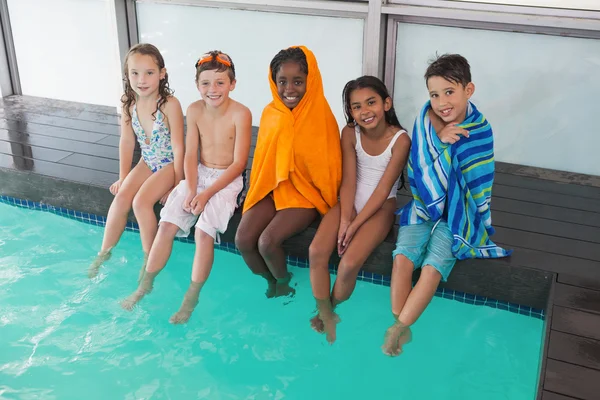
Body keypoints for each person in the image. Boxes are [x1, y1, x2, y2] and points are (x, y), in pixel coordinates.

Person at [382, 54, 511, 356]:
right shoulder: (425, 123)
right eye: (434, 94)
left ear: (469, 89)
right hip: (424, 207)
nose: (442, 102)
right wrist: (440, 141)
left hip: (460, 215)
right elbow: (417, 167)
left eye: (449, 92)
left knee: (431, 269)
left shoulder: (479, 128)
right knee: (402, 259)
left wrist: (450, 146)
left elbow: (478, 178)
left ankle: (397, 329)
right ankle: (401, 323)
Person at [121, 51, 251, 324]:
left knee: (204, 232)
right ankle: (145, 285)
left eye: (219, 83)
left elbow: (239, 164)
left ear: (232, 84)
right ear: (197, 85)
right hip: (199, 174)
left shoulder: (241, 113)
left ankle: (190, 299)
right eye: (205, 83)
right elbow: (190, 154)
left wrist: (205, 195)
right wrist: (190, 188)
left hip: (227, 180)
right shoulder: (193, 110)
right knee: (166, 223)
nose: (212, 90)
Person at [308, 76, 410, 344]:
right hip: (350, 200)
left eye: (371, 102)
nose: (365, 111)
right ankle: (324, 312)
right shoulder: (349, 133)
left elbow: (382, 190)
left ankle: (332, 307)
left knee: (349, 264)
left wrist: (354, 225)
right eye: (356, 106)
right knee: (316, 251)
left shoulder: (400, 140)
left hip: (381, 206)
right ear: (350, 111)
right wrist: (344, 220)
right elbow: (349, 180)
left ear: (386, 103)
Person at [235, 46, 342, 298]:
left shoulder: (321, 118)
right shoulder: (271, 114)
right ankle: (268, 278)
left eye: (298, 81)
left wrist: (331, 209)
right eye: (282, 81)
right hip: (273, 188)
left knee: (267, 242)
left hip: (304, 196)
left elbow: (327, 168)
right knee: (242, 240)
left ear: (310, 81)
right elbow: (263, 161)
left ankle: (283, 281)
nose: (289, 89)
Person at [88, 43, 184, 279]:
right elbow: (127, 142)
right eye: (135, 73)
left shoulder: (170, 104)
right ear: (127, 75)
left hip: (170, 164)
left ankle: (149, 259)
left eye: (149, 73)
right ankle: (104, 252)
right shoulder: (129, 104)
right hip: (148, 161)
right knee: (122, 198)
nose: (141, 80)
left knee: (141, 203)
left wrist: (178, 184)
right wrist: (123, 177)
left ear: (162, 74)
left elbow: (180, 146)